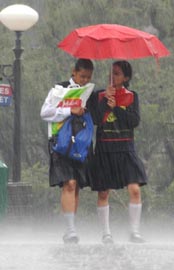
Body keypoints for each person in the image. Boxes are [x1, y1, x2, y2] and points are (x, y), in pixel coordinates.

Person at [88, 60, 147, 244]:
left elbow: (134, 121)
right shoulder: (98, 96)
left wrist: (116, 109)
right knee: (104, 192)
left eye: (117, 73)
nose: (112, 76)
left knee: (135, 189)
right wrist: (106, 102)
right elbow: (96, 119)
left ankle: (135, 232)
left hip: (125, 148)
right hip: (105, 147)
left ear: (126, 77)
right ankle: (106, 233)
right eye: (111, 72)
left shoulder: (131, 96)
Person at [40, 59, 94, 244]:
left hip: (80, 143)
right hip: (60, 143)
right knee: (68, 183)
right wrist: (70, 111)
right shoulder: (59, 89)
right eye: (82, 76)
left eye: (88, 77)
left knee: (76, 185)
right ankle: (70, 230)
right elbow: (45, 113)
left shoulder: (90, 93)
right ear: (74, 72)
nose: (84, 80)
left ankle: (70, 227)